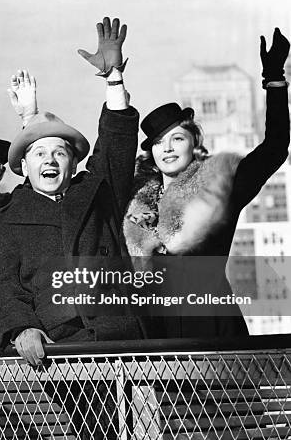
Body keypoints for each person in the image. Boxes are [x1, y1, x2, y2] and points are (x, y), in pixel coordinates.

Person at [0, 17, 145, 440]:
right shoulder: (0, 227)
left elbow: (117, 144)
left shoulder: (98, 195)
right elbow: (1, 290)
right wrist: (20, 328)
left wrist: (115, 79)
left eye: (60, 152)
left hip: (129, 342)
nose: (49, 161)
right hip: (64, 351)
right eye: (39, 153)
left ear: (73, 162)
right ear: (23, 166)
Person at [123, 28, 289, 338]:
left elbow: (276, 147)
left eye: (177, 138)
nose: (168, 148)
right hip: (157, 336)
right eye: (159, 142)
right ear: (151, 152)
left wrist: (274, 78)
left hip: (215, 329)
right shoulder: (136, 202)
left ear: (194, 144)